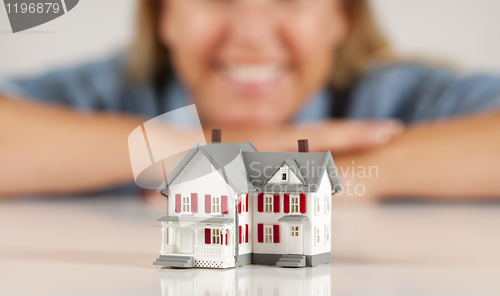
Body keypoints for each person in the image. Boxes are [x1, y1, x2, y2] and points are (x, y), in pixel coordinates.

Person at [0, 0, 499, 199]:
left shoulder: (403, 96)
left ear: (340, 18)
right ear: (163, 17)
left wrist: (326, 179)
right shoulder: (111, 91)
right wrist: (188, 153)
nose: (252, 36)